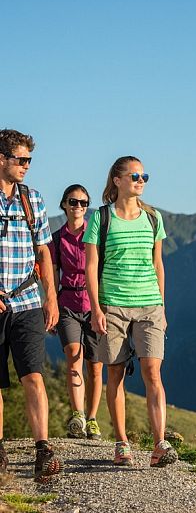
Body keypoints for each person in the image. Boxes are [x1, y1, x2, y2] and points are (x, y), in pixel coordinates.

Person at [84, 155, 178, 467]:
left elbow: (158, 265)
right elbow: (91, 266)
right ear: (117, 180)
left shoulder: (154, 219)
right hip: (113, 306)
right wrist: (96, 308)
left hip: (150, 305)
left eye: (144, 176)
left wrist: (162, 307)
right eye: (135, 176)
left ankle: (159, 444)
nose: (141, 181)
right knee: (116, 373)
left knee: (154, 373)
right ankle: (122, 442)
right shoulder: (101, 218)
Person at [0, 128, 63, 481]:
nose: (26, 165)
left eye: (29, 160)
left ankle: (43, 449)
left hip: (26, 301)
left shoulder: (32, 199)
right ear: (1, 159)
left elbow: (44, 251)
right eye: (21, 159)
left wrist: (50, 296)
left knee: (33, 375)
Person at [49, 185, 103, 440]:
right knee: (73, 355)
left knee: (95, 365)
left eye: (83, 202)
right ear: (64, 204)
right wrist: (49, 308)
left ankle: (92, 419)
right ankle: (78, 414)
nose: (78, 206)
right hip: (68, 302)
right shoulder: (57, 239)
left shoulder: (95, 236)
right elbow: (50, 276)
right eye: (73, 201)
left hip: (95, 305)